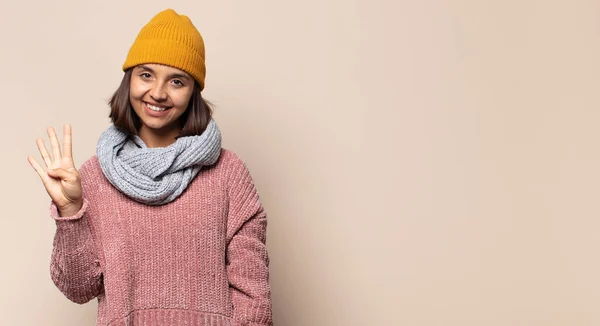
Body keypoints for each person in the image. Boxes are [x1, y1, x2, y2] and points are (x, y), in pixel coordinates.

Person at [26, 8, 272, 326]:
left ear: (193, 92)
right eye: (146, 75)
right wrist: (71, 209)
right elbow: (79, 289)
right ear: (129, 80)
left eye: (177, 81)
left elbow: (254, 299)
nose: (157, 92)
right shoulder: (94, 176)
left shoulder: (228, 173)